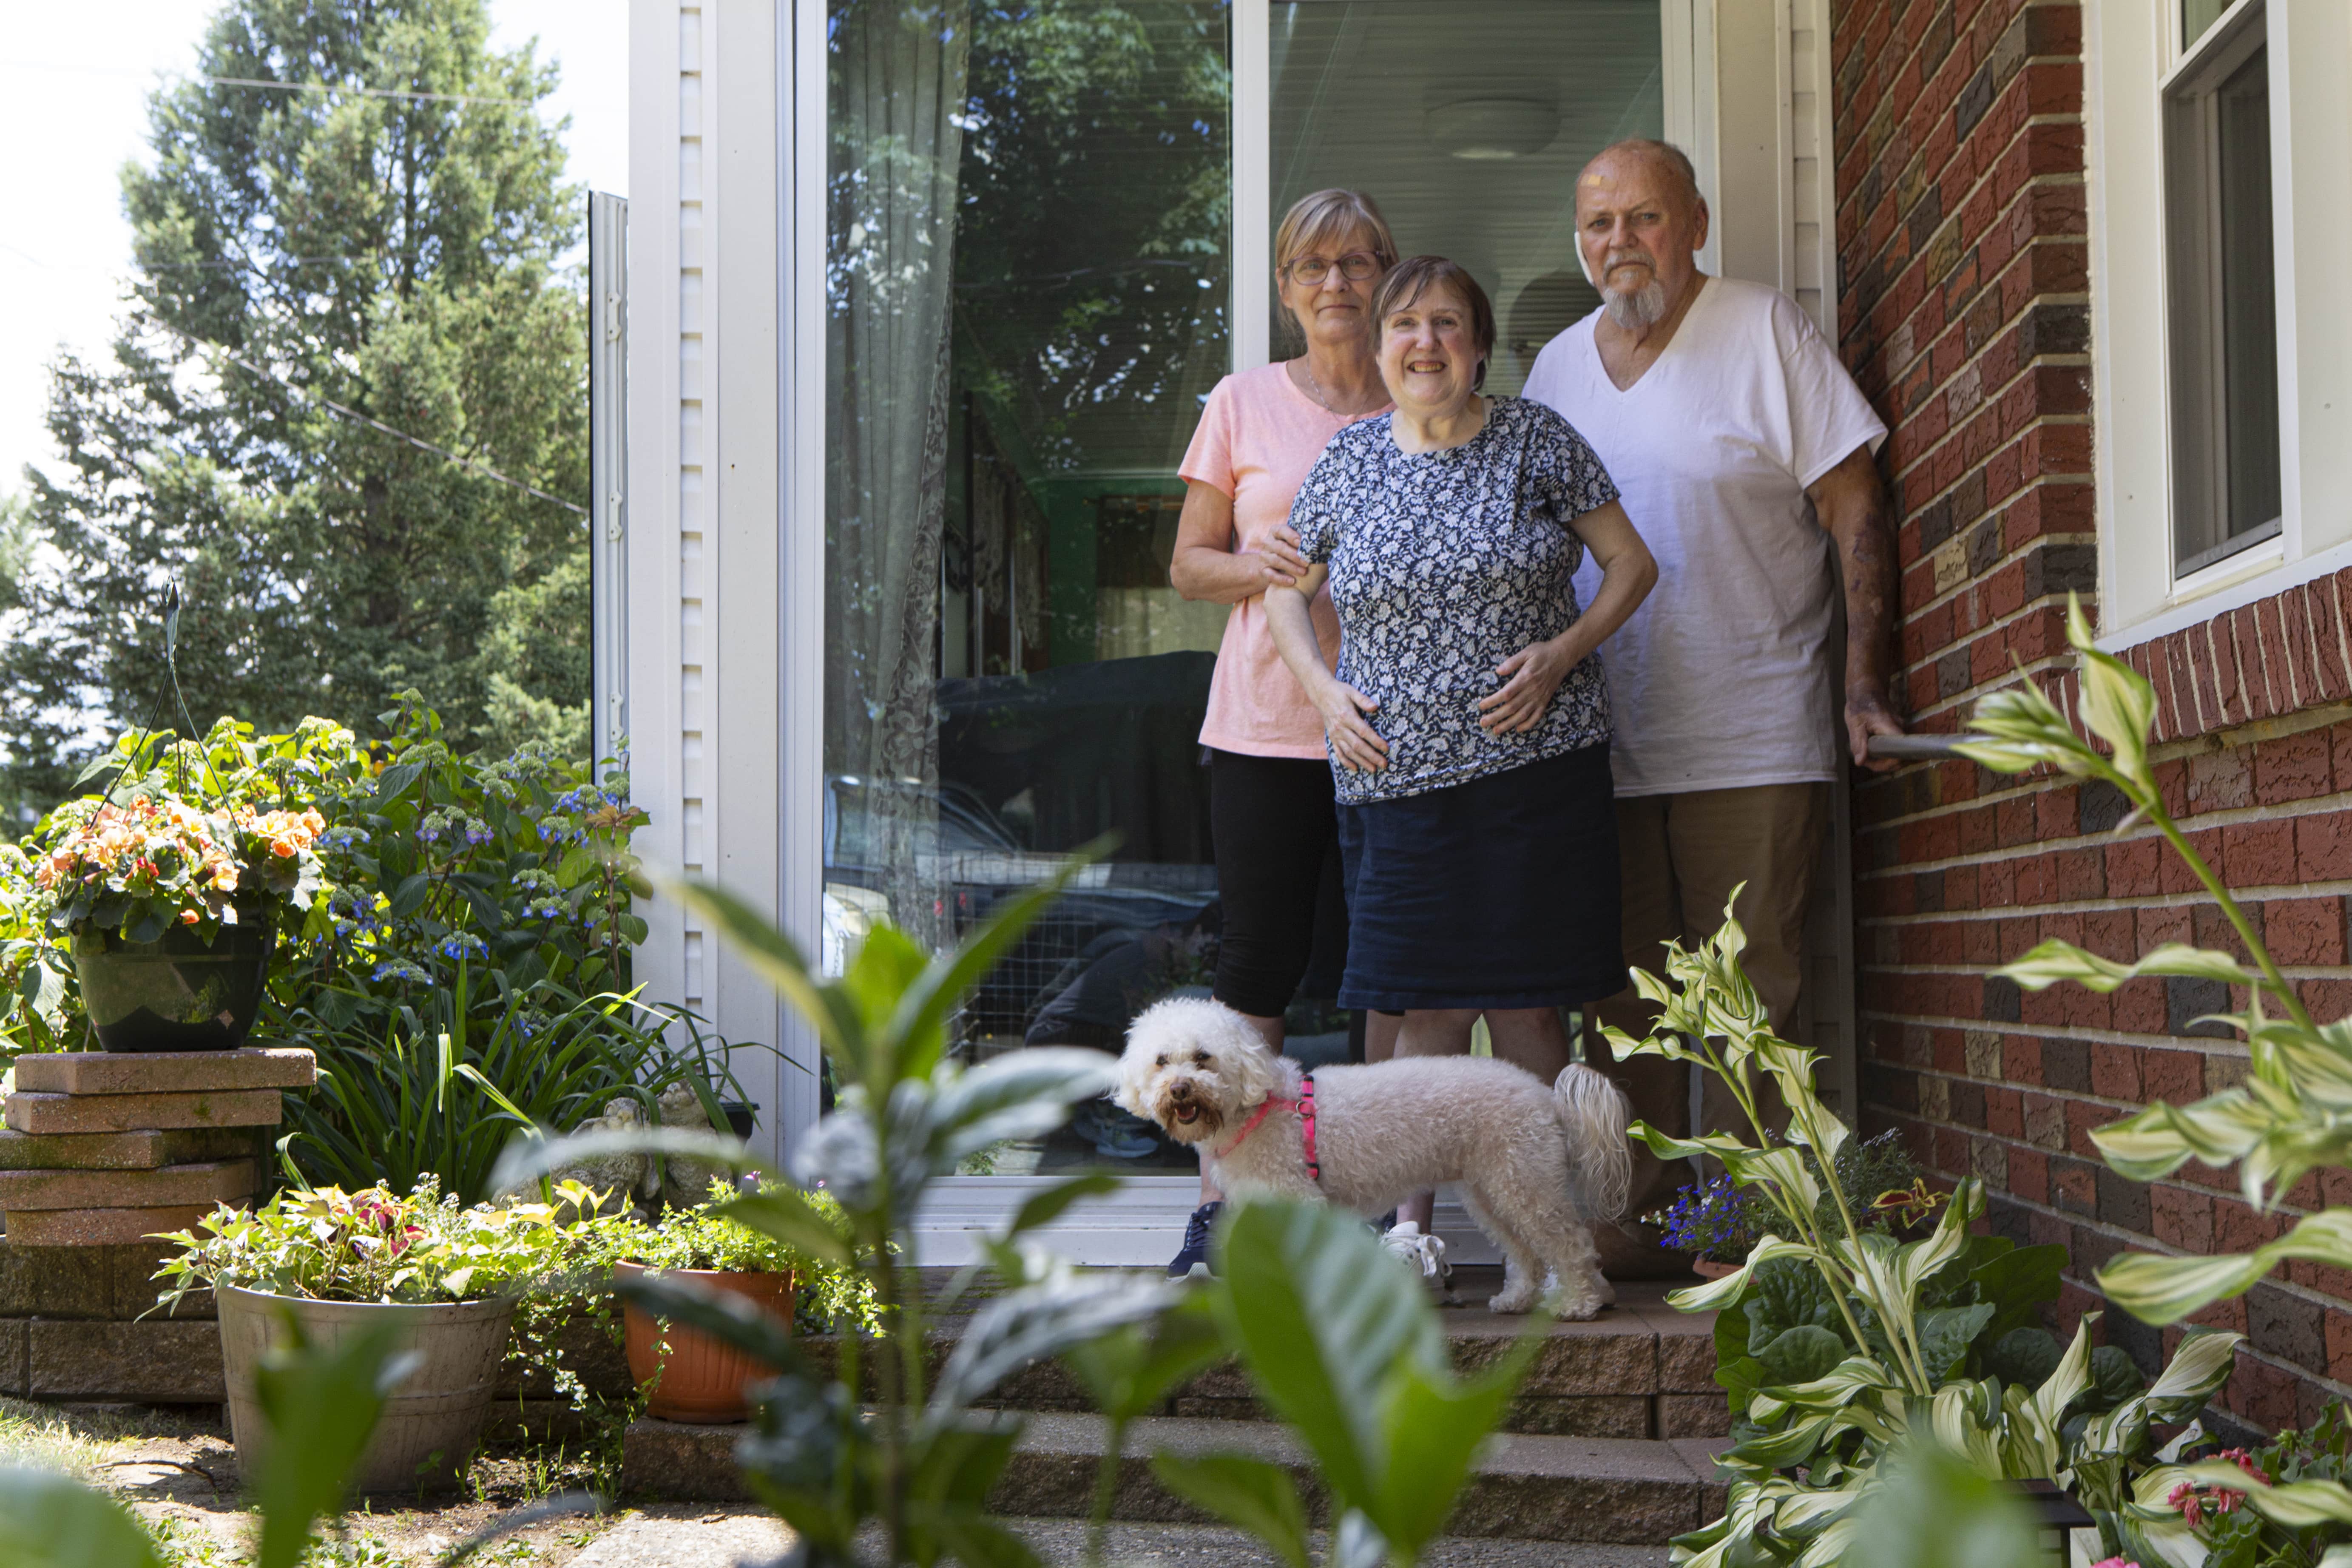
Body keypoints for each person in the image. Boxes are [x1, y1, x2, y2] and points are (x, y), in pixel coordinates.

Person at [1520, 138, 1903, 1254]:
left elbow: (1853, 506)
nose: (1618, 244)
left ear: (1691, 223)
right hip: (1600, 740)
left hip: (1753, 724)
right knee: (1625, 1008)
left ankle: (1751, 1243)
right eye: (1597, 224)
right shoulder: (1553, 371)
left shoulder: (1760, 329)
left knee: (1748, 1003)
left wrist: (1865, 682)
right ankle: (1638, 1234)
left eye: (1641, 219)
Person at [1264, 255, 1658, 1238]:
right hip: (1394, 779)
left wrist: (1562, 654)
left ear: (1480, 346)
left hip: (1536, 771)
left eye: (1447, 323)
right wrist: (1324, 691)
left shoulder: (1536, 440)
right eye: (1405, 324)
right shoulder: (1350, 462)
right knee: (1421, 1007)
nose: (1425, 342)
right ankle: (1410, 1235)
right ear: (1380, 345)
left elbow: (1630, 564)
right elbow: (1283, 590)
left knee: (1531, 1008)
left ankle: (1556, 1230)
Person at [1163, 189, 1404, 1277]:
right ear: (1285, 286)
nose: (1337, 283)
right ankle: (1229, 1216)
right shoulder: (1244, 400)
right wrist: (1260, 567)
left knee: (1383, 976)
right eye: (1313, 266)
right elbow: (1189, 563)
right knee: (1258, 967)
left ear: (1386, 276)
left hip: (1400, 730)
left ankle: (1362, 1215)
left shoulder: (1422, 394)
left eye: (1357, 263)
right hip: (1265, 726)